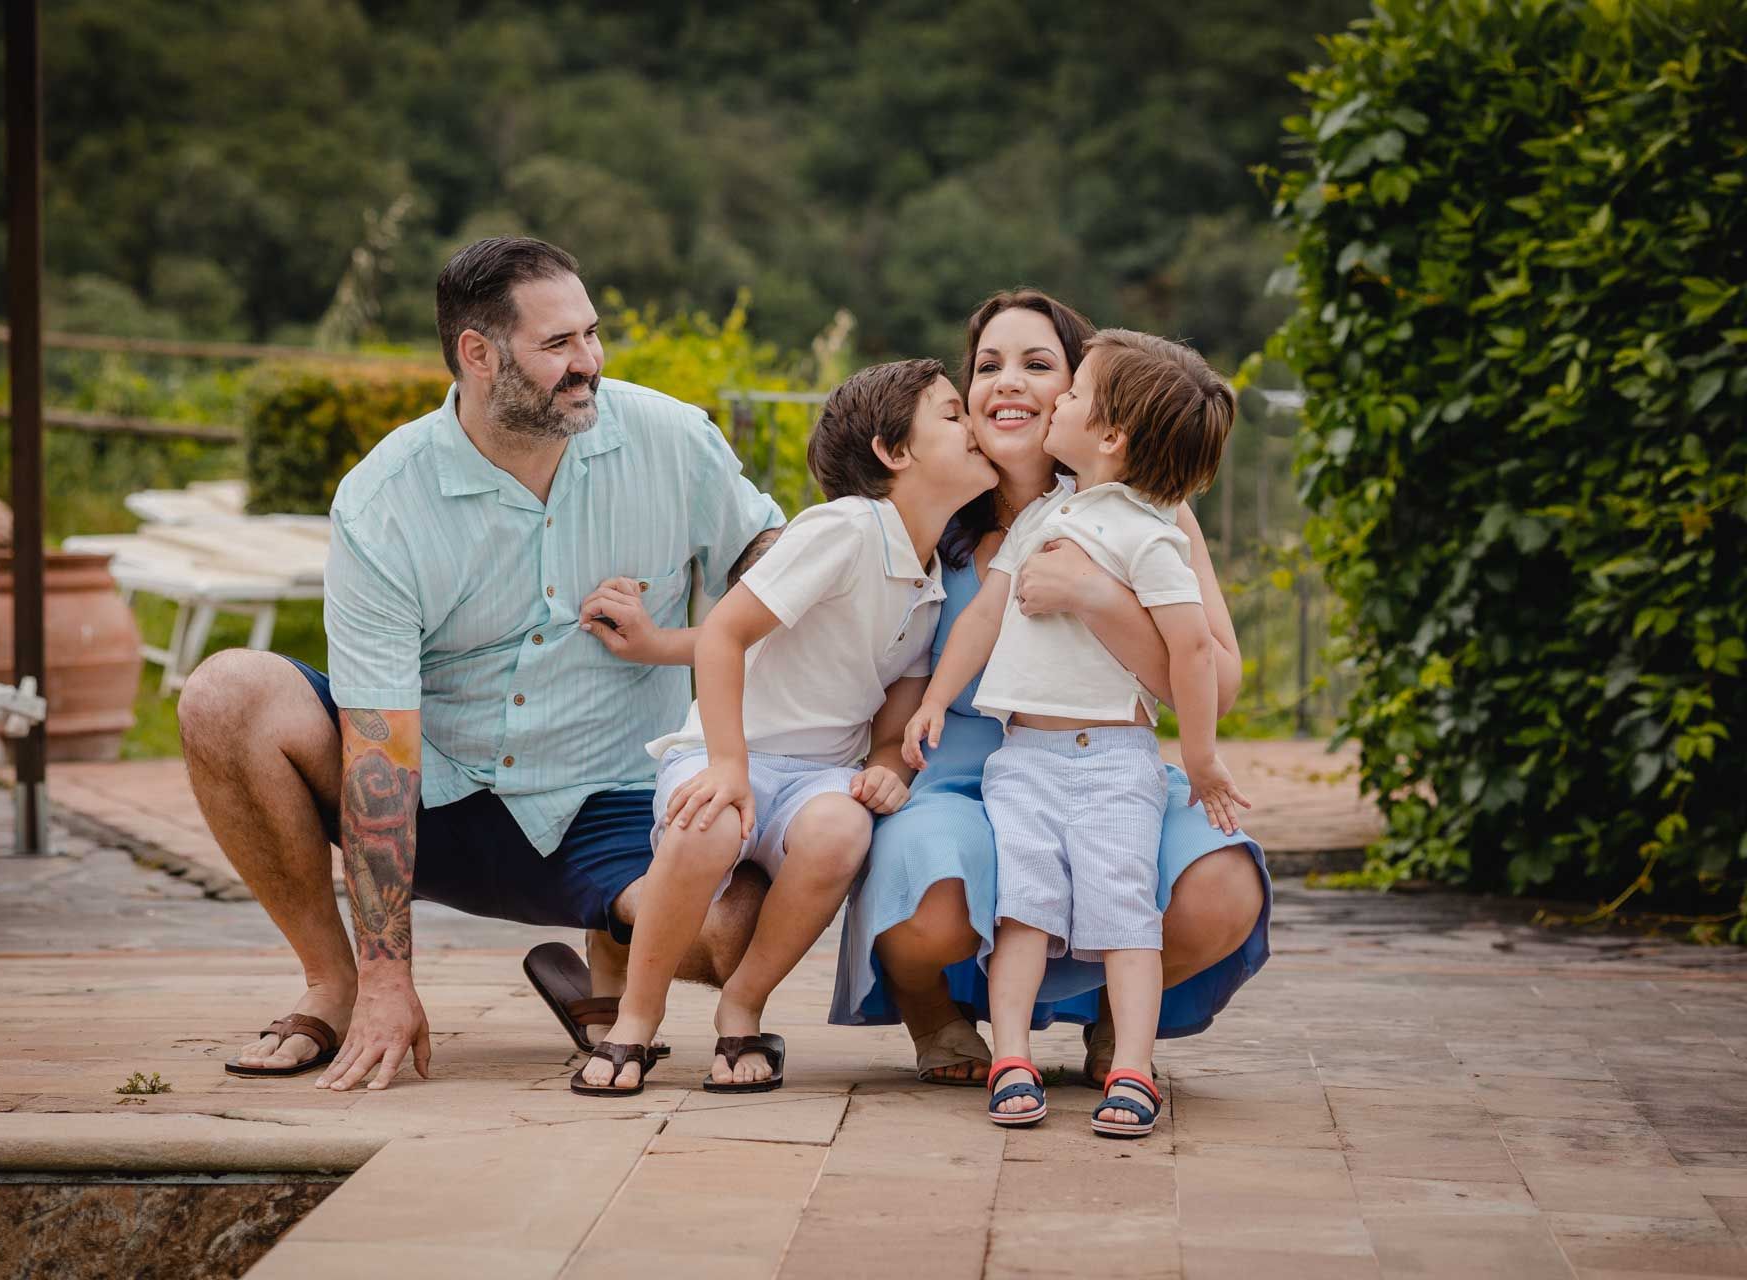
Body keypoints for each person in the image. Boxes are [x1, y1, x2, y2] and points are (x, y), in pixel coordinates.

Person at [177, 236, 784, 1090]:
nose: (590, 363)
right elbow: (380, 746)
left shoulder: (672, 439)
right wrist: (393, 978)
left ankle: (610, 956)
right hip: (439, 792)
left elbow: (769, 552)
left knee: (739, 932)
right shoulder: (386, 499)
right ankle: (337, 984)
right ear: (477, 353)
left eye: (592, 334)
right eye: (559, 345)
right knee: (225, 693)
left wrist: (768, 592)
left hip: (610, 803)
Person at [830, 290, 1271, 1089]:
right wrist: (892, 756)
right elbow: (886, 664)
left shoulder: (1151, 511)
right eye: (987, 366)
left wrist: (1101, 601)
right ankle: (934, 1011)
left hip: (1106, 757)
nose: (1008, 382)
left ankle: (1119, 1020)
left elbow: (1220, 677)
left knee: (1220, 887)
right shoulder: (934, 504)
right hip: (964, 771)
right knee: (936, 895)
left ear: (1095, 408)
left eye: (1041, 367)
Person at [574, 359, 998, 1095]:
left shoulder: (930, 581)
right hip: (727, 752)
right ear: (894, 453)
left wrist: (888, 769)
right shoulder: (845, 527)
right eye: (953, 413)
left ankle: (743, 1008)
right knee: (706, 822)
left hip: (816, 777)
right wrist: (729, 769)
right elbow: (725, 636)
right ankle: (635, 1021)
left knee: (842, 831)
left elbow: (894, 699)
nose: (974, 426)